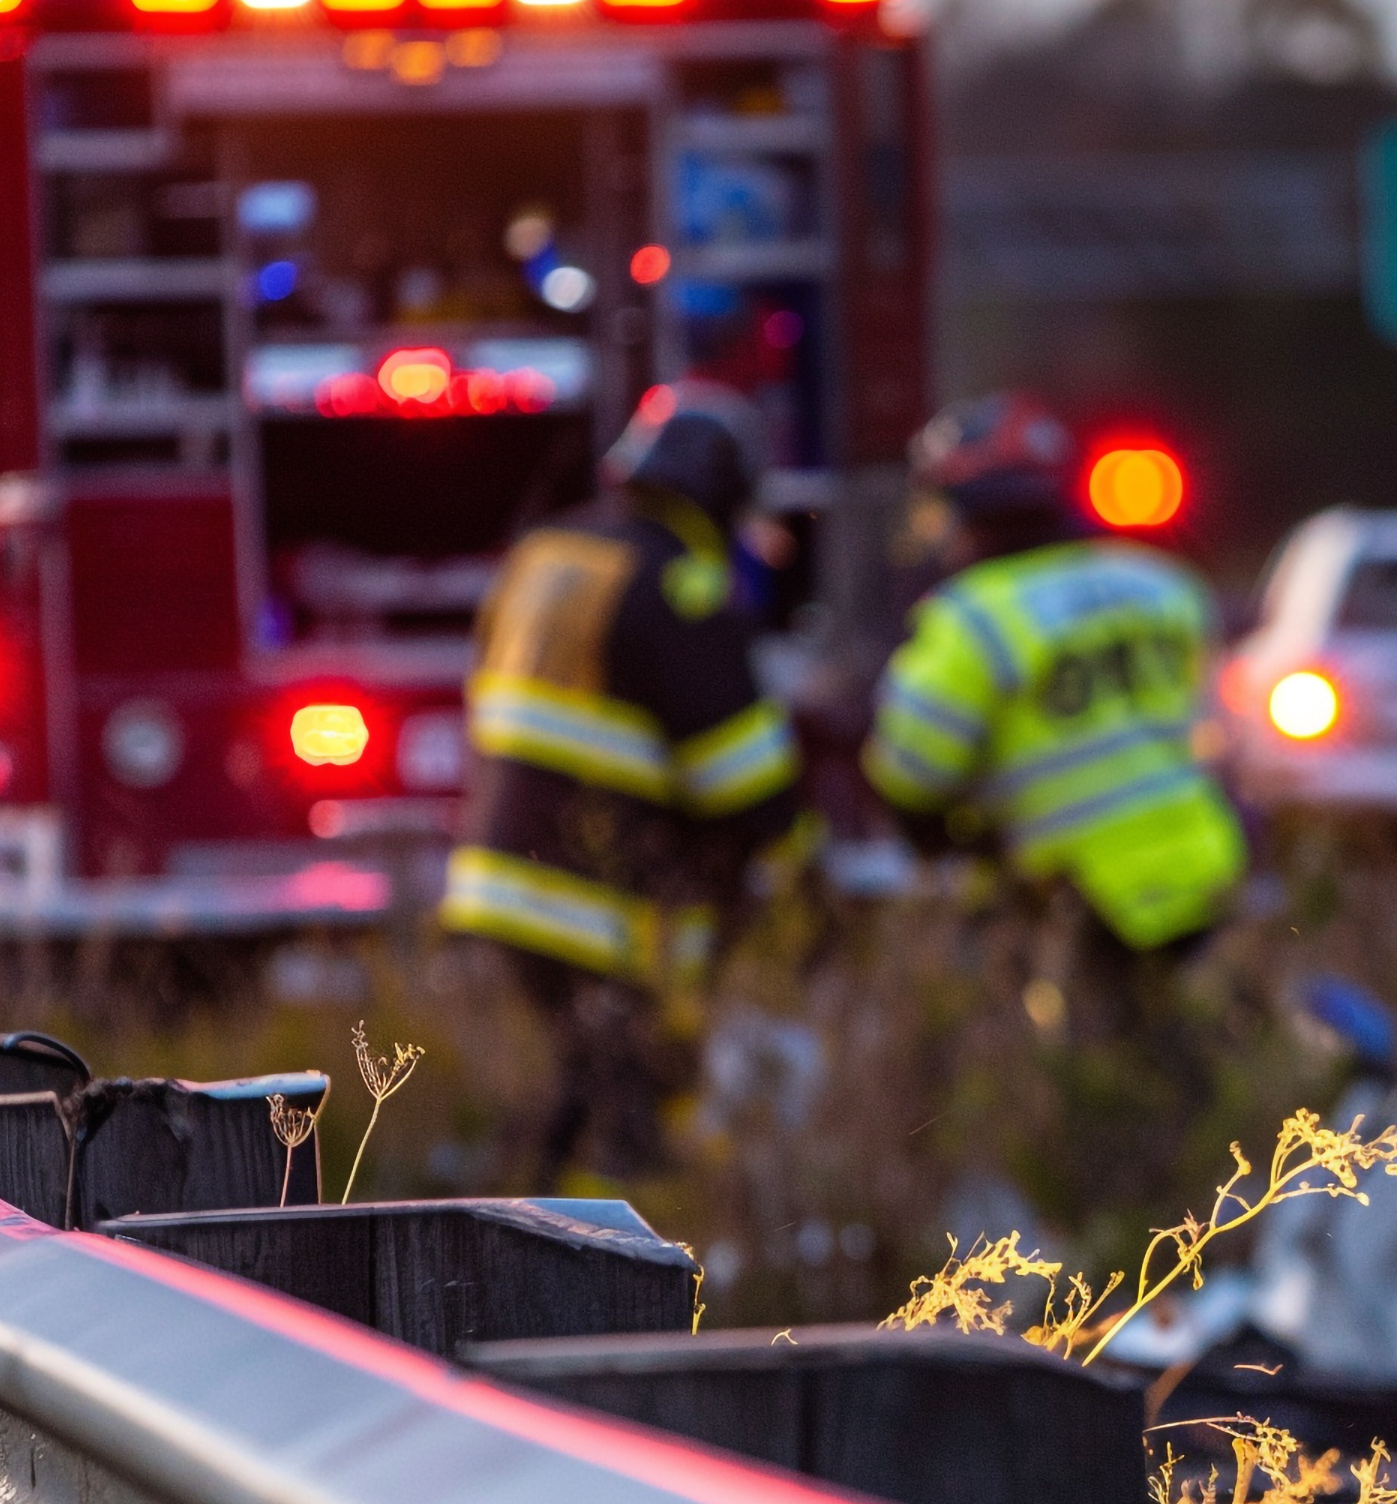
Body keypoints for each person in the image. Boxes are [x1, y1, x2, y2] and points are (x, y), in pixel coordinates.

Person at [440, 380, 799, 1189]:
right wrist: (797, 858)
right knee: (632, 1107)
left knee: (576, 1089)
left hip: (498, 885)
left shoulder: (546, 551)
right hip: (593, 903)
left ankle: (519, 1239)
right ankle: (634, 1268)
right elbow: (744, 783)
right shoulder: (679, 586)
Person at [864, 393, 1248, 1096]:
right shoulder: (1161, 584)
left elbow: (912, 776)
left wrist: (960, 836)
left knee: (1091, 1085)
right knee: (1193, 1065)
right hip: (1207, 867)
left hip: (1080, 891)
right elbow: (1218, 732)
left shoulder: (971, 623)